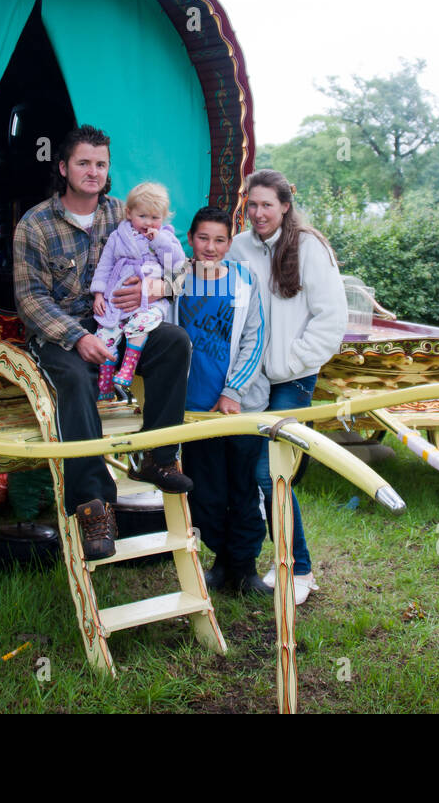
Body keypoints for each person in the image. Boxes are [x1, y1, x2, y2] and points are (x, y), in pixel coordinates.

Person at [12, 125, 193, 562]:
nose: (93, 172)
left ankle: (158, 455)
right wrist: (78, 337)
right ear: (63, 167)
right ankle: (94, 505)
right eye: (83, 163)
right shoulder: (35, 224)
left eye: (101, 164)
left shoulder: (128, 213)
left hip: (123, 324)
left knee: (174, 341)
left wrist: (157, 290)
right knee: (74, 380)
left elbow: (184, 269)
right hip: (62, 335)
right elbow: (29, 299)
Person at [229, 169, 347, 605]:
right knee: (243, 469)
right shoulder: (238, 247)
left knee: (269, 469)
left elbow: (330, 319)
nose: (258, 213)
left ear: (284, 206)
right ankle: (240, 561)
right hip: (245, 379)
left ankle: (299, 568)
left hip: (291, 378)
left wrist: (290, 361)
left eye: (267, 205)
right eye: (252, 204)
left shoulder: (308, 247)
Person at [173, 205, 271, 596]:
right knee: (206, 490)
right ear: (190, 240)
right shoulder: (176, 279)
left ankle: (245, 568)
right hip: (195, 409)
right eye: (203, 238)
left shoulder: (244, 279)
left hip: (239, 407)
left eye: (219, 240)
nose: (210, 247)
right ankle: (220, 561)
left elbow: (256, 337)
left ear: (230, 243)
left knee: (244, 488)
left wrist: (234, 391)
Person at [90, 182, 186, 399]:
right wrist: (98, 294)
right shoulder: (118, 236)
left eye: (155, 218)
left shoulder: (166, 239)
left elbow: (178, 265)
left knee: (140, 326)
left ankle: (127, 369)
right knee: (105, 333)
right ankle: (104, 383)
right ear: (129, 213)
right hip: (116, 297)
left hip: (149, 302)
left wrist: (159, 241)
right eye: (143, 216)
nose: (148, 223)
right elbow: (104, 266)